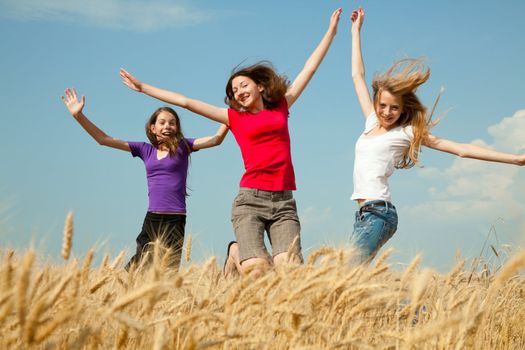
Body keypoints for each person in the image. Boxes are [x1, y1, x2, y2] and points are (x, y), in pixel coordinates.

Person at [120, 8, 342, 277]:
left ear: (259, 86)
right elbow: (187, 103)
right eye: (234, 91)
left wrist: (331, 31)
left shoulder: (281, 106)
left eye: (243, 85)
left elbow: (310, 68)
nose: (239, 91)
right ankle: (236, 252)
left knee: (290, 270)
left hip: (284, 202)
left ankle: (243, 257)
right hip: (250, 200)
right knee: (257, 271)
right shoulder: (234, 117)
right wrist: (144, 88)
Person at [349, 7, 525, 263]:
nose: (387, 112)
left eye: (395, 107)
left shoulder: (407, 132)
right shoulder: (370, 122)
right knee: (352, 280)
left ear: (403, 109)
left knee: (346, 275)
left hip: (379, 213)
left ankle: (417, 305)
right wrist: (356, 31)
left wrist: (517, 159)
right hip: (363, 214)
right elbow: (357, 76)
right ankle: (412, 304)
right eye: (383, 105)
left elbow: (460, 149)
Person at [60, 88, 229, 270]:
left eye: (172, 123)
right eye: (162, 122)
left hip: (176, 219)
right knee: (137, 268)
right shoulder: (144, 150)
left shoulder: (184, 146)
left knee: (168, 271)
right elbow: (103, 139)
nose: (167, 126)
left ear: (177, 128)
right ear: (153, 128)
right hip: (152, 219)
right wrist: (79, 116)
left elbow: (215, 139)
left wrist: (230, 117)